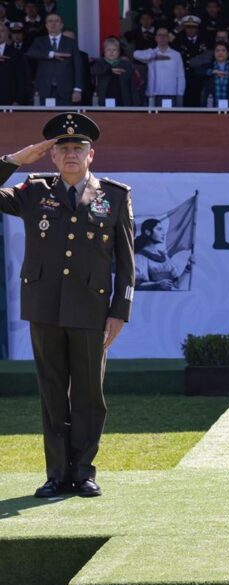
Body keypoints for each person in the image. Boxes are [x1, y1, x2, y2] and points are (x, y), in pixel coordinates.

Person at [0, 112, 134, 498]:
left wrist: (119, 311)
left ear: (91, 155)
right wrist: (15, 160)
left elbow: (126, 262)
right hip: (44, 307)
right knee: (53, 392)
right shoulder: (32, 192)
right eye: (63, 148)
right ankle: (57, 474)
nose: (71, 153)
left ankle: (84, 471)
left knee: (90, 393)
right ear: (52, 157)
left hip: (91, 310)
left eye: (79, 147)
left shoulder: (114, 196)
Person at [26, 12, 83, 106]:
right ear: (46, 25)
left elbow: (78, 67)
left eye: (56, 21)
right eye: (50, 21)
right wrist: (51, 54)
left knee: (64, 118)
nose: (53, 24)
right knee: (44, 118)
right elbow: (31, 53)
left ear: (61, 25)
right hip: (44, 89)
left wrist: (77, 89)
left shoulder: (71, 43)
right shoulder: (39, 41)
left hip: (66, 89)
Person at [133, 26, 185, 106]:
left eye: (165, 35)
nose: (162, 37)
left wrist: (180, 94)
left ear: (168, 38)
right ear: (156, 38)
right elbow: (135, 54)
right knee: (153, 118)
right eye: (160, 35)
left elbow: (180, 76)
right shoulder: (151, 53)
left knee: (170, 117)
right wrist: (154, 56)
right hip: (153, 93)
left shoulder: (176, 55)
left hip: (171, 93)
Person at [134, 218, 191, 290]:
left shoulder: (164, 256)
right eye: (159, 229)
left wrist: (187, 269)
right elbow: (136, 285)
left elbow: (176, 285)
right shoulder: (139, 256)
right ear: (147, 232)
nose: (163, 233)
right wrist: (156, 285)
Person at [91, 37, 136, 107]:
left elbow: (132, 86)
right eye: (108, 50)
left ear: (119, 52)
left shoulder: (126, 64)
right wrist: (110, 70)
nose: (111, 52)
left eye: (114, 50)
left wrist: (136, 104)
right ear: (104, 52)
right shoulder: (99, 62)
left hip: (123, 100)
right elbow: (93, 71)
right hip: (104, 99)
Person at [198, 41, 229, 106]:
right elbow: (198, 73)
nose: (220, 53)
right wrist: (212, 72)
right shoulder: (208, 67)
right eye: (217, 50)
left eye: (223, 50)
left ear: (228, 53)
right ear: (214, 53)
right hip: (211, 106)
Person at [0, 22, 28, 105]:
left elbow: (21, 79)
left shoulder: (15, 53)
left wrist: (18, 100)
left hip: (8, 100)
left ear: (7, 34)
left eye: (2, 31)